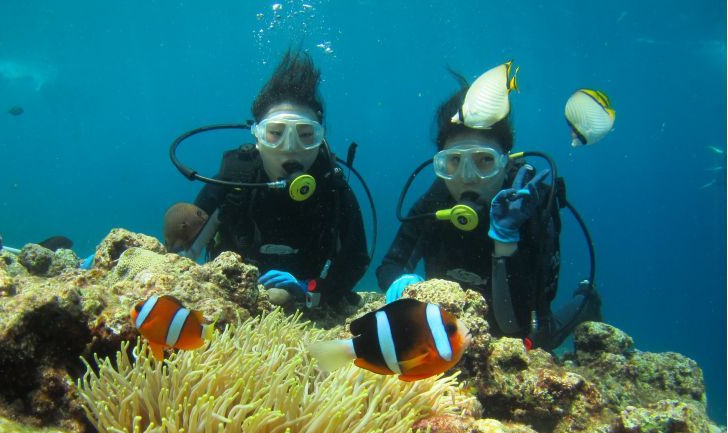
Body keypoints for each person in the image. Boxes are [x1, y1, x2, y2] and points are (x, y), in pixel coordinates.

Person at [376, 75, 601, 351]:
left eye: (484, 161)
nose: (467, 177)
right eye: (454, 162)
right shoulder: (435, 200)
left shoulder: (526, 208)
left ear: (506, 163)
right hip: (451, 326)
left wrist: (505, 243)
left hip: (514, 316)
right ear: (441, 163)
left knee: (539, 341)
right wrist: (401, 284)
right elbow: (390, 265)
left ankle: (586, 300)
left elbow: (516, 325)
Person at [171, 50, 369, 309]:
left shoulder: (333, 188)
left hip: (309, 307)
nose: (290, 147)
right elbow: (185, 252)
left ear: (322, 140)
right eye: (275, 133)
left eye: (306, 134)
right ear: (257, 137)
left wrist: (312, 291)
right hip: (231, 304)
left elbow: (355, 260)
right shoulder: (234, 181)